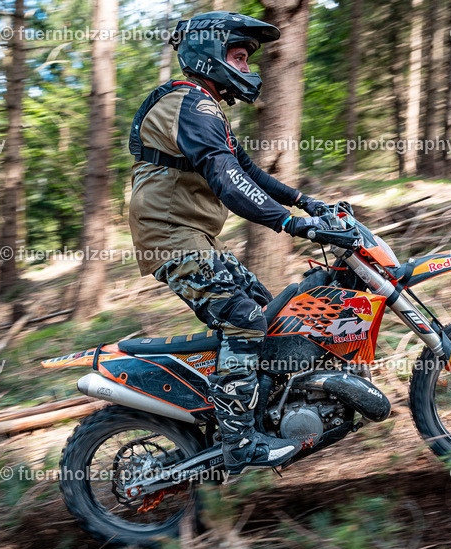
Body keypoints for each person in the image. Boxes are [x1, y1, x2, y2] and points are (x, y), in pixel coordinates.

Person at [126, 11, 354, 473]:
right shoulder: (192, 106)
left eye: (248, 60)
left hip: (188, 236)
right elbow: (229, 182)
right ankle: (240, 441)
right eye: (238, 57)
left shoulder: (203, 107)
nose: (248, 69)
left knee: (263, 307)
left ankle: (265, 410)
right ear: (209, 55)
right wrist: (293, 225)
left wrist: (307, 203)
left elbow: (247, 170)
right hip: (173, 238)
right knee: (245, 319)